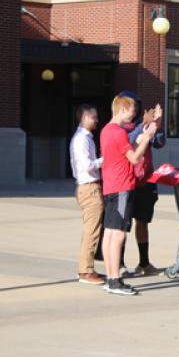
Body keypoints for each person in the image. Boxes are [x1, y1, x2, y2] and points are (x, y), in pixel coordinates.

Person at [100, 94, 156, 295]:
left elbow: (122, 153)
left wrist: (138, 139)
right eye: (132, 110)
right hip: (122, 186)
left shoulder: (106, 130)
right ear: (122, 110)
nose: (134, 115)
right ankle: (115, 279)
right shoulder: (119, 132)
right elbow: (133, 158)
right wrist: (147, 137)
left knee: (109, 232)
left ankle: (110, 277)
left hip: (110, 185)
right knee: (119, 234)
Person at [118, 91, 166, 276]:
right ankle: (119, 264)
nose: (135, 110)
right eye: (132, 106)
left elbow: (159, 143)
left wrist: (157, 125)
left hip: (145, 181)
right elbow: (128, 142)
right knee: (122, 225)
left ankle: (144, 263)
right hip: (127, 181)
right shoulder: (120, 127)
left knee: (143, 222)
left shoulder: (141, 125)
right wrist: (144, 125)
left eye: (137, 106)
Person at [69, 104, 105, 285]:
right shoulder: (81, 140)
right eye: (94, 117)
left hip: (87, 186)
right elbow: (87, 165)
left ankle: (87, 267)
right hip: (89, 187)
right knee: (91, 231)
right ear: (84, 118)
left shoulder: (84, 139)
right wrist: (106, 158)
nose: (97, 120)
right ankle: (86, 271)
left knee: (91, 230)